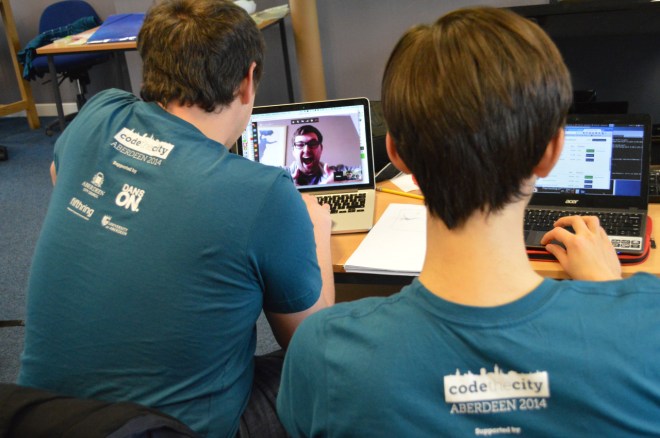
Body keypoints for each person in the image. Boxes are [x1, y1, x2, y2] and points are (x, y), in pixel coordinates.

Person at [277, 6, 660, 436]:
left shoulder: (322, 352)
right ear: (553, 151)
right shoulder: (648, 324)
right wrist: (610, 297)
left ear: (397, 153)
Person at [18, 1, 334, 437]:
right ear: (248, 81)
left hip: (39, 418)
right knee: (334, 377)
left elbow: (61, 175)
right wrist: (317, 231)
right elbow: (312, 345)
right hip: (159, 431)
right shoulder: (263, 192)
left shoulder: (98, 113)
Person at [288, 125, 359, 185]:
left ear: (321, 148)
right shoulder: (283, 175)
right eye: (300, 145)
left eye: (313, 144)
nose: (306, 150)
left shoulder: (334, 172)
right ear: (293, 151)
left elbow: (362, 173)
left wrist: (338, 176)